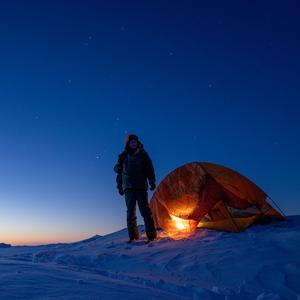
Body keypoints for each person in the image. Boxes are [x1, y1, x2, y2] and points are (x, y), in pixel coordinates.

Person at [113, 134, 157, 243]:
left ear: (137, 143)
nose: (133, 143)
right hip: (128, 188)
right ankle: (133, 237)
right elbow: (119, 173)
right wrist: (119, 186)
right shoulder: (123, 156)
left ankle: (151, 236)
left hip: (141, 186)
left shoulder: (143, 155)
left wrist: (151, 181)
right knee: (130, 213)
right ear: (128, 143)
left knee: (145, 211)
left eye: (135, 142)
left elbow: (149, 169)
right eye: (131, 142)